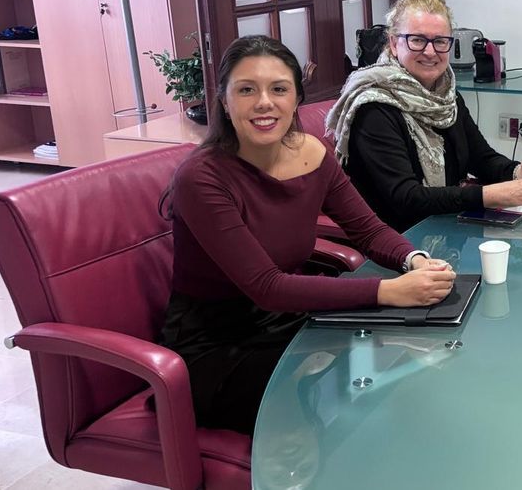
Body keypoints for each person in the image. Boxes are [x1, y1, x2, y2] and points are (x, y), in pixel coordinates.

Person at [160, 35, 456, 436]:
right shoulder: (202, 178)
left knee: (404, 361)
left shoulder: (312, 153)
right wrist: (389, 291)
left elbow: (367, 229)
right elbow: (266, 286)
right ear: (225, 102)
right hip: (216, 345)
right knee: (349, 400)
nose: (264, 102)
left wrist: (413, 260)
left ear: (296, 98)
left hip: (285, 318)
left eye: (279, 89)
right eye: (246, 90)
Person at [327, 0, 522, 233]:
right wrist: (491, 195)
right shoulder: (374, 107)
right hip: (398, 241)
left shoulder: (445, 94)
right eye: (417, 40)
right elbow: (406, 199)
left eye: (440, 41)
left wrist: (518, 171)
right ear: (394, 44)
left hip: (445, 225)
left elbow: (481, 158)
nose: (430, 52)